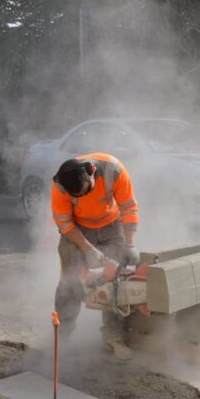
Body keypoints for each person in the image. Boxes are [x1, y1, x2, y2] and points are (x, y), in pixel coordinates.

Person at [51, 153, 140, 360]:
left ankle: (113, 337)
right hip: (77, 229)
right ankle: (62, 337)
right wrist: (88, 249)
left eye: (85, 191)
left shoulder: (114, 171)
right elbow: (64, 224)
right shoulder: (60, 184)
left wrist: (130, 244)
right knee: (70, 281)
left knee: (116, 282)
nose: (82, 198)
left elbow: (129, 208)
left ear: (91, 172)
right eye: (77, 196)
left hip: (111, 226)